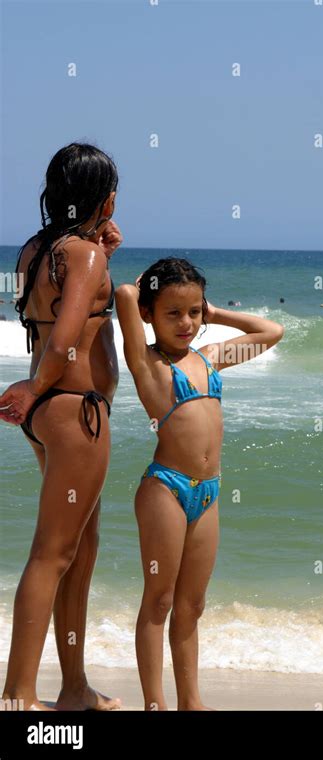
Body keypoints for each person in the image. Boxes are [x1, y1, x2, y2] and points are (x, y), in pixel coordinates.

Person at [115, 258, 284, 710]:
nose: (186, 323)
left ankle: (192, 702)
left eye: (194, 313)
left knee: (191, 606)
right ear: (150, 314)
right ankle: (155, 704)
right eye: (173, 313)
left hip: (208, 494)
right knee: (160, 599)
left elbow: (271, 332)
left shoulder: (209, 360)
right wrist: (139, 293)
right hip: (165, 490)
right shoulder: (148, 364)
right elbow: (125, 296)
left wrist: (215, 313)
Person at [0, 143, 122, 711]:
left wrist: (101, 250)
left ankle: (73, 688)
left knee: (77, 549)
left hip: (51, 414)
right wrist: (32, 387)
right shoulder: (86, 255)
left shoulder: (34, 251)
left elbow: (48, 317)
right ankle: (19, 695)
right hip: (76, 413)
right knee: (52, 554)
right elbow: (69, 332)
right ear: (108, 197)